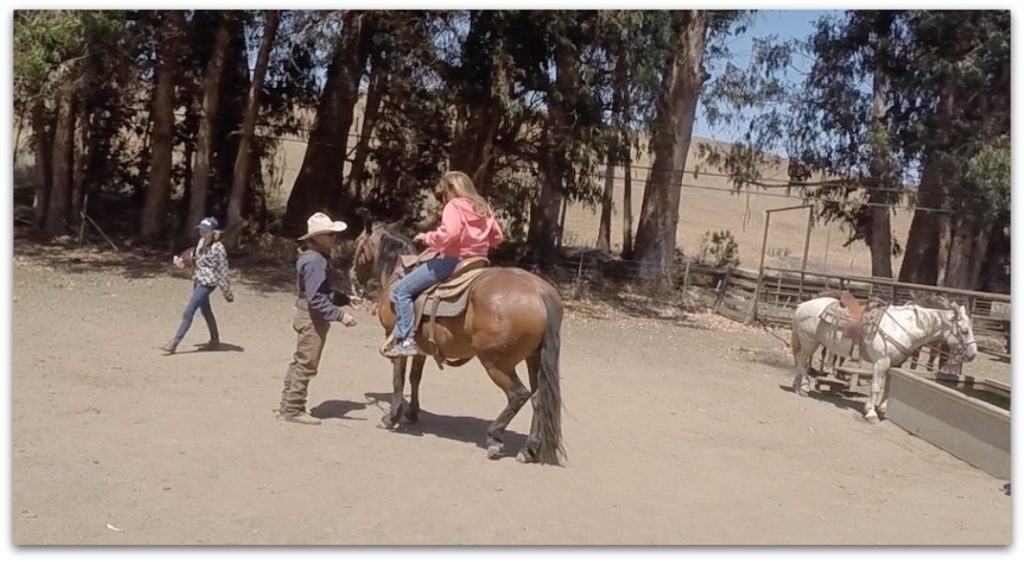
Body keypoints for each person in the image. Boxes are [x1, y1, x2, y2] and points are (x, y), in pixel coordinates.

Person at [383, 171, 504, 358]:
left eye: (444, 192)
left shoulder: (454, 206)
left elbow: (450, 234)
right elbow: (497, 237)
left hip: (452, 261)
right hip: (479, 262)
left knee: (401, 290)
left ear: (451, 189)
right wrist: (480, 244)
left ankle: (405, 340)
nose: (444, 197)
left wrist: (428, 238)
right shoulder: (483, 207)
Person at [278, 212, 360, 425]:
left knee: (300, 361)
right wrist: (341, 316)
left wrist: (344, 299)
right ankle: (293, 408)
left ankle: (287, 404)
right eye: (330, 234)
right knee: (307, 363)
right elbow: (317, 298)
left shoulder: (313, 258)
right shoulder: (315, 261)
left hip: (306, 315)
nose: (334, 237)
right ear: (317, 237)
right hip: (311, 318)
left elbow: (320, 292)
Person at [161, 217, 233, 355]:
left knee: (189, 311)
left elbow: (223, 270)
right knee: (206, 310)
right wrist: (182, 264)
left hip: (208, 283)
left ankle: (174, 343)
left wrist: (226, 290)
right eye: (201, 230)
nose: (202, 233)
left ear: (213, 231)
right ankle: (215, 340)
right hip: (198, 279)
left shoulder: (219, 248)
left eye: (205, 230)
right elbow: (196, 261)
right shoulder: (200, 243)